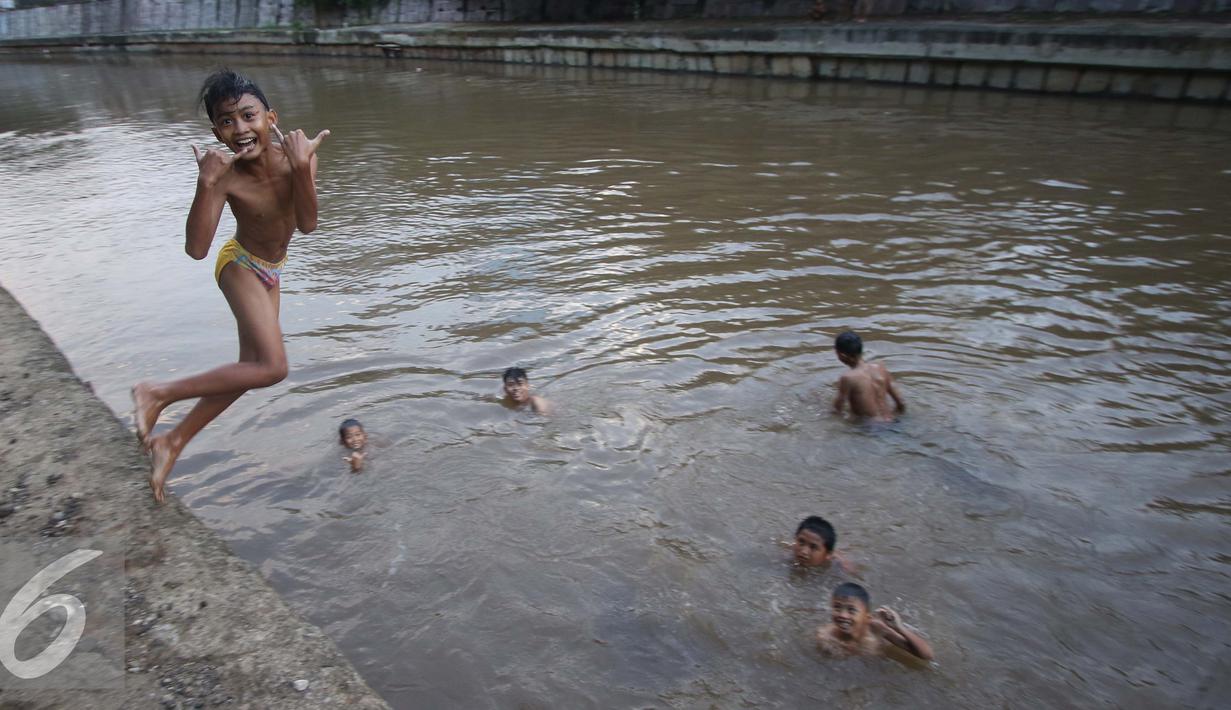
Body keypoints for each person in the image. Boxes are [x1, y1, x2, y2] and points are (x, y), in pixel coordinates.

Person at [130, 69, 330, 503]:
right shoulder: (226, 177)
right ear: (216, 133)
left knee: (248, 372)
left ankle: (173, 441)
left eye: (248, 115)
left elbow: (309, 225)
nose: (240, 129)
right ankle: (156, 392)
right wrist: (206, 183)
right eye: (226, 121)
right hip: (237, 264)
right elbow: (197, 249)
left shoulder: (299, 157)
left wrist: (301, 167)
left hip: (272, 270)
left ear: (270, 117)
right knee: (273, 368)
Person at [816, 582, 933, 661]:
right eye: (837, 607)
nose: (843, 615)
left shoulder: (876, 629)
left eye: (851, 610)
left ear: (867, 617)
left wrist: (899, 628)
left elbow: (927, 656)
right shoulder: (826, 637)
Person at [831, 330, 905, 422]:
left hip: (871, 431)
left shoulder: (848, 378)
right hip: (893, 422)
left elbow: (836, 410)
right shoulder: (880, 367)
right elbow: (901, 403)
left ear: (841, 355)